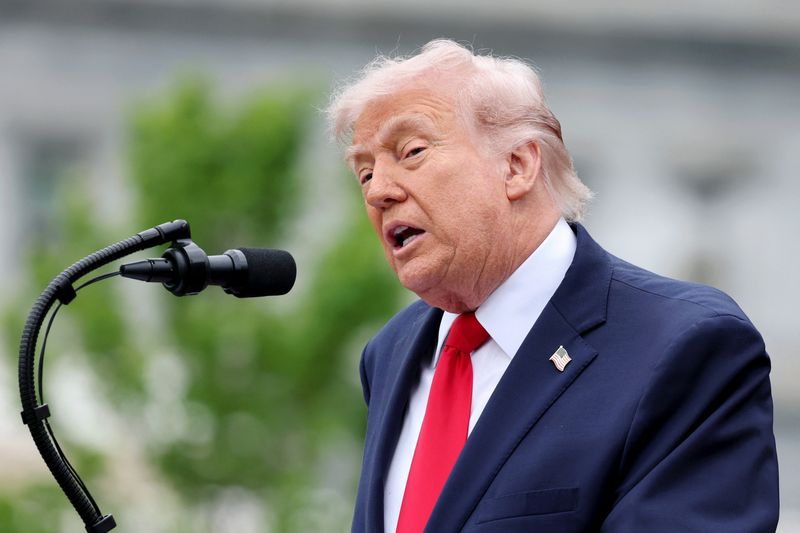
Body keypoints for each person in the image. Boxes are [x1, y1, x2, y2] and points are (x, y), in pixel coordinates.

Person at [327, 39, 779, 533]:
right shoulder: (390, 352)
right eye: (364, 173)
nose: (379, 191)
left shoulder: (684, 344)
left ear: (517, 166)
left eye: (411, 152)